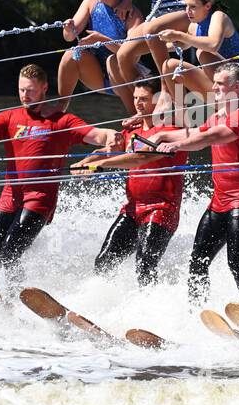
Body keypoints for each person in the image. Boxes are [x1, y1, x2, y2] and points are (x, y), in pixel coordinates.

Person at [0, 64, 119, 289]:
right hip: (10, 194)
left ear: (44, 88)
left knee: (9, 251)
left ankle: (18, 295)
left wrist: (111, 136)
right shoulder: (9, 117)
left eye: (31, 90)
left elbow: (95, 134)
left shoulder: (62, 122)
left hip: (40, 198)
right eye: (22, 90)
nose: (25, 95)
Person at [146, 62, 239, 313]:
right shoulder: (216, 116)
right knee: (197, 262)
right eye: (215, 83)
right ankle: (197, 312)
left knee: (238, 264)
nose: (214, 87)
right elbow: (193, 132)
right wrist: (162, 136)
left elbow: (209, 137)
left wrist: (178, 146)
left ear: (238, 88)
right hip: (219, 203)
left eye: (220, 84)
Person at [74, 79, 186, 285]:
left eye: (143, 99)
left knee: (145, 265)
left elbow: (139, 157)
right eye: (135, 98)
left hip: (162, 210)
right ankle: (101, 306)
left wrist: (101, 165)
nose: (137, 104)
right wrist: (87, 161)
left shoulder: (172, 131)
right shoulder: (130, 132)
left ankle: (150, 309)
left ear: (158, 101)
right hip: (133, 209)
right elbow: (109, 152)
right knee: (104, 260)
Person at [58, 0, 145, 106]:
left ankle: (135, 115)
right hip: (97, 74)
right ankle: (60, 109)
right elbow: (68, 37)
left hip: (123, 75)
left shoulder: (133, 14)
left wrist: (102, 40)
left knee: (113, 60)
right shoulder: (91, 1)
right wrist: (68, 28)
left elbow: (133, 55)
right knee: (70, 54)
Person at [156, 0, 239, 102]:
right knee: (169, 65)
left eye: (192, 7)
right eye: (186, 6)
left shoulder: (219, 16)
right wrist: (156, 44)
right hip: (220, 88)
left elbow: (213, 45)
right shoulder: (193, 27)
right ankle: (180, 114)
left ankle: (228, 104)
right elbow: (182, 45)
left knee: (203, 53)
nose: (187, 11)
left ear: (208, 5)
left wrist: (178, 35)